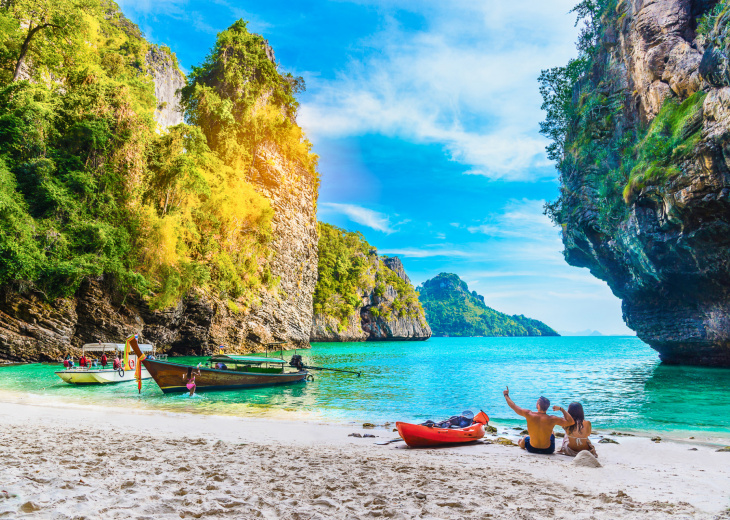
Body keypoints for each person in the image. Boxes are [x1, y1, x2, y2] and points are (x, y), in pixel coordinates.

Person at [503, 386, 574, 455]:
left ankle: (521, 444)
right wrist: (562, 409)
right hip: (548, 450)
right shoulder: (552, 419)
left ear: (539, 405)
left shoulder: (529, 414)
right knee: (552, 432)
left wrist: (506, 395)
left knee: (526, 437)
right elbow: (571, 422)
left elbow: (513, 406)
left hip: (532, 448)